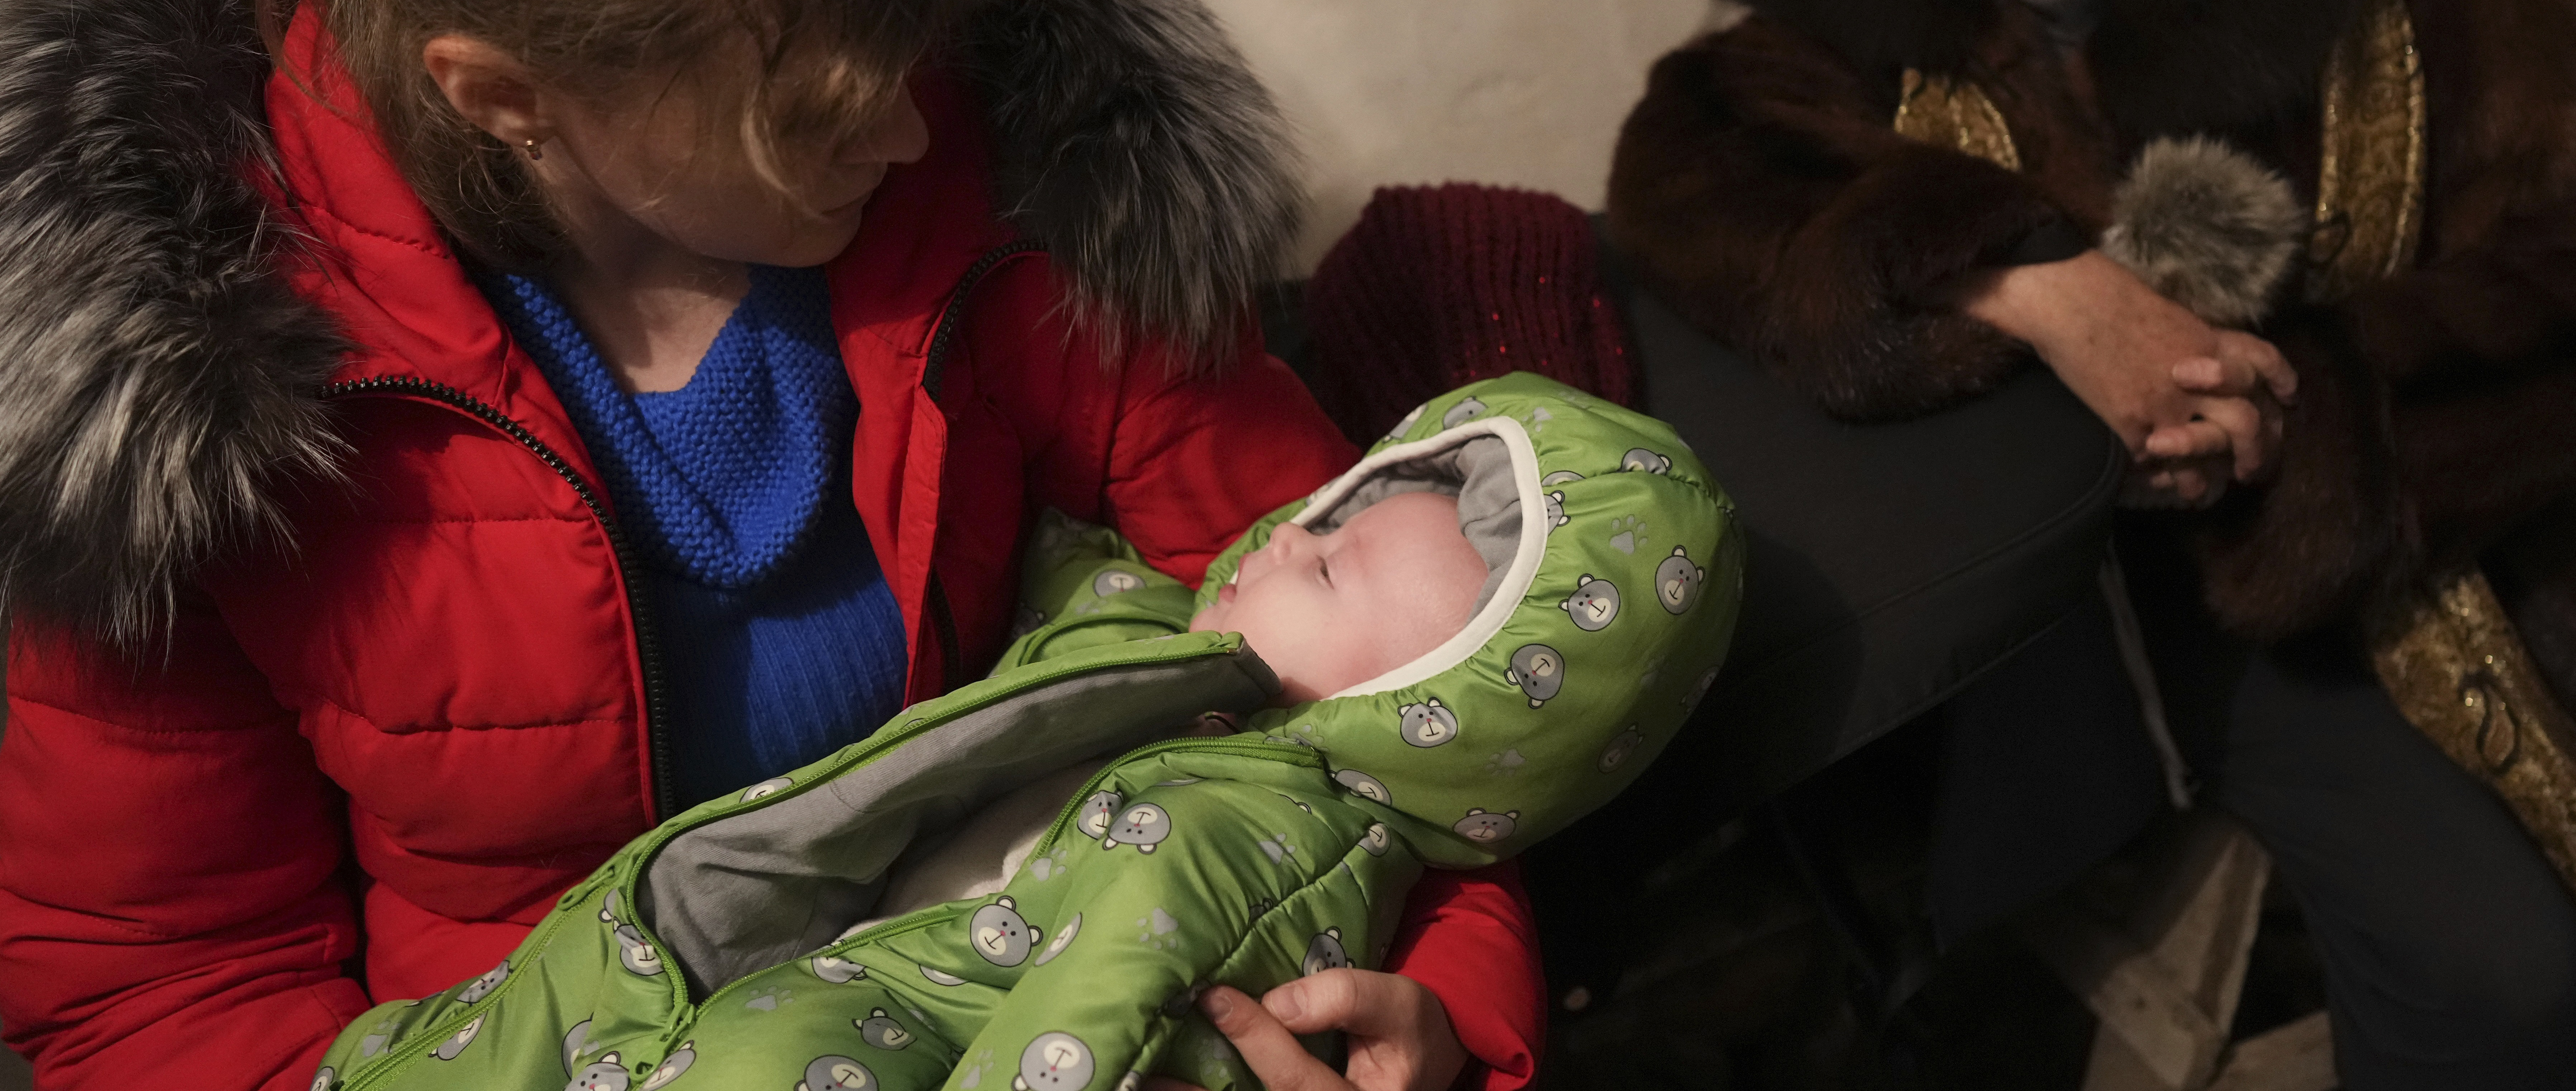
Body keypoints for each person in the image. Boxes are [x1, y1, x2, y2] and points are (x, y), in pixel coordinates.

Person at [0, 0, 1546, 1087]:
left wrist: (1445, 1006)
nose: (911, 135)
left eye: (911, 57)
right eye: (818, 113)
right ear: (505, 94)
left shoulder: (1015, 203)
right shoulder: (183, 406)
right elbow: (157, 989)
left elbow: (1421, 683)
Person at [1604, 0, 2576, 1083]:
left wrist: (2320, 418)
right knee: (2500, 975)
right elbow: (1692, 181)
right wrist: (2028, 284)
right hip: (2163, 609)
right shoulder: (1859, 12)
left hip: (2428, 508)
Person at [301, 377, 1740, 1091]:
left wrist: (1462, 1025)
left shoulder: (1256, 827)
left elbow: (1102, 1028)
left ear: (1426, 704)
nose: (1289, 532)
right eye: (1321, 519)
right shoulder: (1147, 624)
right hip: (641, 955)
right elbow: (1082, 567)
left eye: (1331, 563)